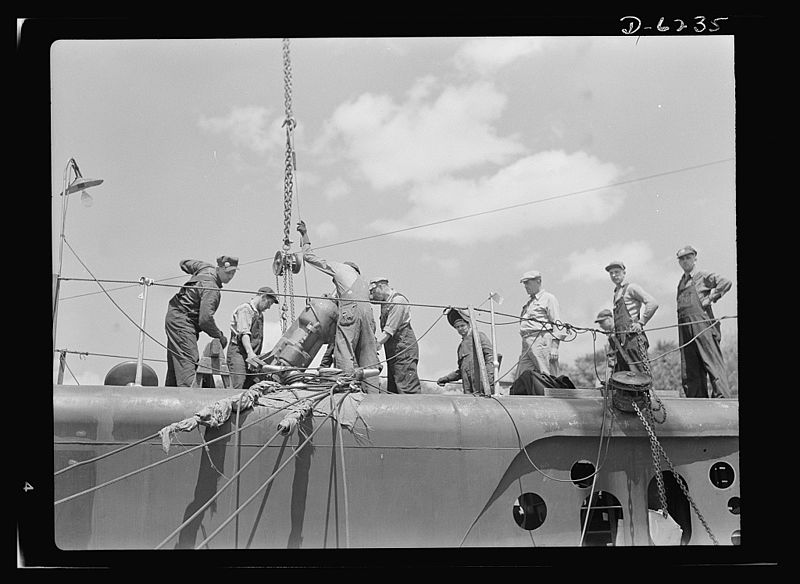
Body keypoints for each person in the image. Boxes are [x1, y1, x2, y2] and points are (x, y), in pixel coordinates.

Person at [297, 221, 381, 389]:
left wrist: (304, 235)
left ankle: (345, 387)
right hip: (368, 315)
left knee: (344, 350)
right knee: (368, 354)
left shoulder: (340, 268)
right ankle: (372, 393)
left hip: (351, 311)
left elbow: (309, 257)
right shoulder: (362, 281)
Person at [164, 256, 238, 387]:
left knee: (177, 364)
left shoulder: (205, 268)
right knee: (188, 364)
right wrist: (219, 336)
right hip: (183, 322)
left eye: (233, 272)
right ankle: (188, 398)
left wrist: (199, 269)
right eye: (228, 272)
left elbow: (184, 263)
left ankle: (170, 396)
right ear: (219, 269)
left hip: (174, 316)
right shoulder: (212, 289)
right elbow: (205, 320)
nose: (230, 276)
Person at [675, 245, 732, 398]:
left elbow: (725, 282)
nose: (685, 261)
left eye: (688, 257)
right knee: (690, 365)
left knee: (711, 361)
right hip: (685, 329)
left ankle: (722, 399)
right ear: (679, 263)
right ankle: (697, 401)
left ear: (695, 258)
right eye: (682, 259)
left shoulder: (702, 275)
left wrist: (711, 298)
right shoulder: (681, 282)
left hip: (702, 325)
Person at [605, 261, 659, 374]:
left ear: (624, 273)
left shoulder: (631, 288)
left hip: (633, 339)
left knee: (641, 374)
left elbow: (652, 303)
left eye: (617, 272)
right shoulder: (616, 293)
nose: (614, 275)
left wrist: (641, 322)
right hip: (621, 341)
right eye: (611, 273)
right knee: (624, 376)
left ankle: (648, 392)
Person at [370, 277, 421, 394]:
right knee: (394, 389)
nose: (372, 295)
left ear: (381, 287)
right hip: (394, 351)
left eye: (373, 292)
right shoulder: (385, 301)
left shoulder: (397, 301)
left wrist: (374, 345)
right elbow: (369, 299)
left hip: (404, 349)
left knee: (406, 388)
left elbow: (389, 330)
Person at [515, 271, 566, 380]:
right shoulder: (529, 303)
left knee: (547, 375)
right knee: (522, 377)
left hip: (541, 340)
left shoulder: (548, 298)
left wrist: (555, 348)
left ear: (538, 281)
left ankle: (554, 395)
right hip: (527, 342)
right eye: (524, 283)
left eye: (528, 282)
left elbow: (557, 323)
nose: (525, 286)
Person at [226, 286, 279, 389]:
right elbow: (244, 333)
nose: (268, 307)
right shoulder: (245, 309)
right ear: (263, 297)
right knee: (239, 387)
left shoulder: (259, 315)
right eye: (269, 303)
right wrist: (250, 353)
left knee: (252, 388)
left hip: (252, 356)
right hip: (239, 354)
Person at [437, 308, 494, 394]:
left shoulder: (479, 337)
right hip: (468, 390)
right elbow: (461, 371)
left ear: (468, 324)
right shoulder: (460, 347)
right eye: (457, 327)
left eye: (462, 326)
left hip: (482, 387)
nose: (460, 329)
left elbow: (490, 357)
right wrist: (446, 379)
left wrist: (487, 379)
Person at [594, 308, 620, 383]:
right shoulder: (611, 335)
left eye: (601, 322)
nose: (600, 326)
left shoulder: (617, 334)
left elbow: (612, 360)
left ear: (609, 319)